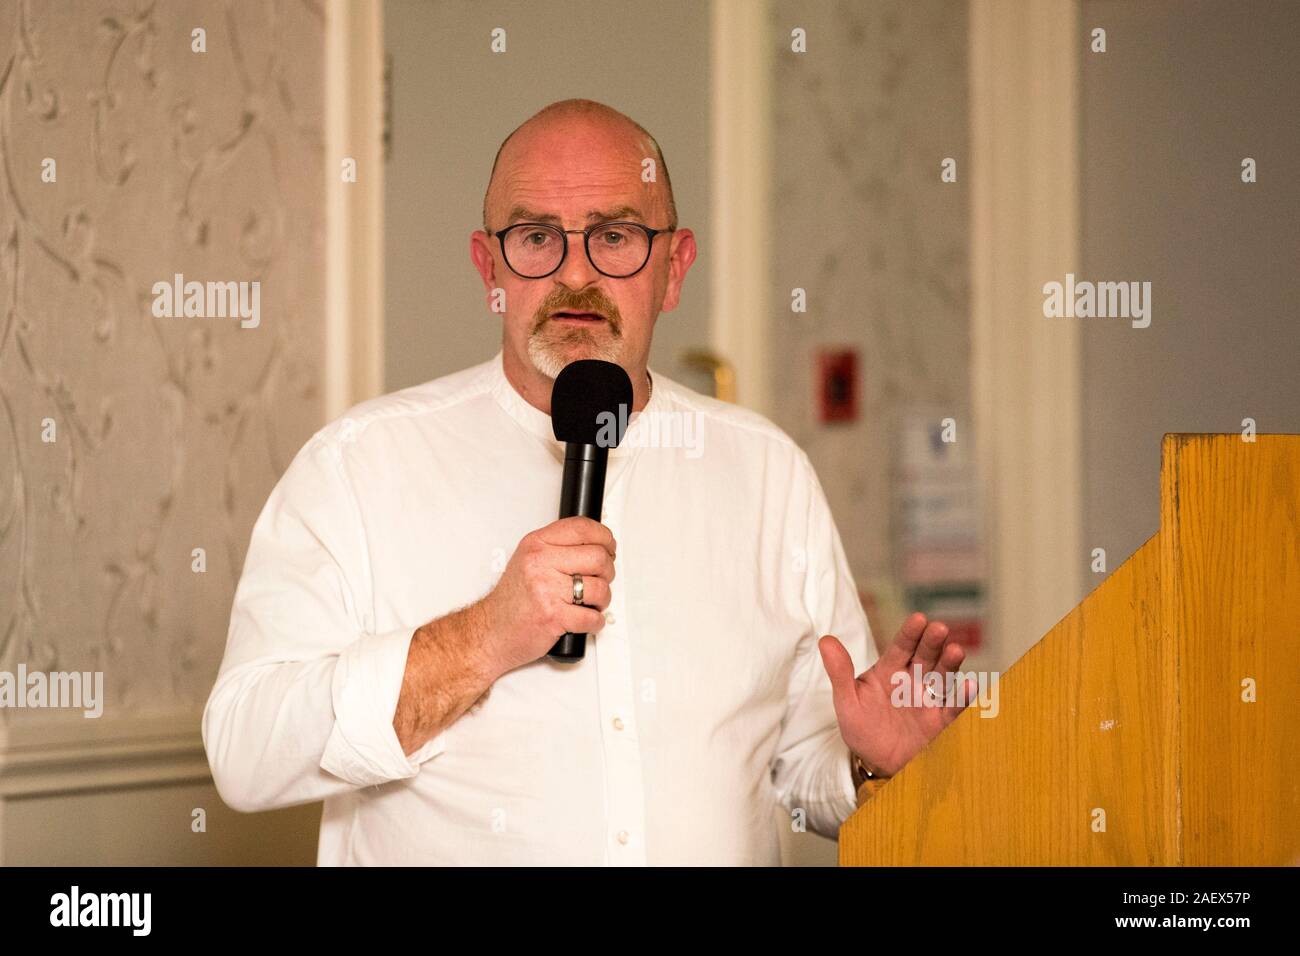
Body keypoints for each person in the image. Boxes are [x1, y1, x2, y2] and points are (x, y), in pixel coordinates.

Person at [202, 98, 973, 865]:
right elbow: (245, 752)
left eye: (615, 236)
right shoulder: (359, 469)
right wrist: (480, 640)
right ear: (489, 268)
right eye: (537, 237)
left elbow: (798, 765)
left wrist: (872, 763)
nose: (576, 273)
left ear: (674, 269)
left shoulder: (768, 474)